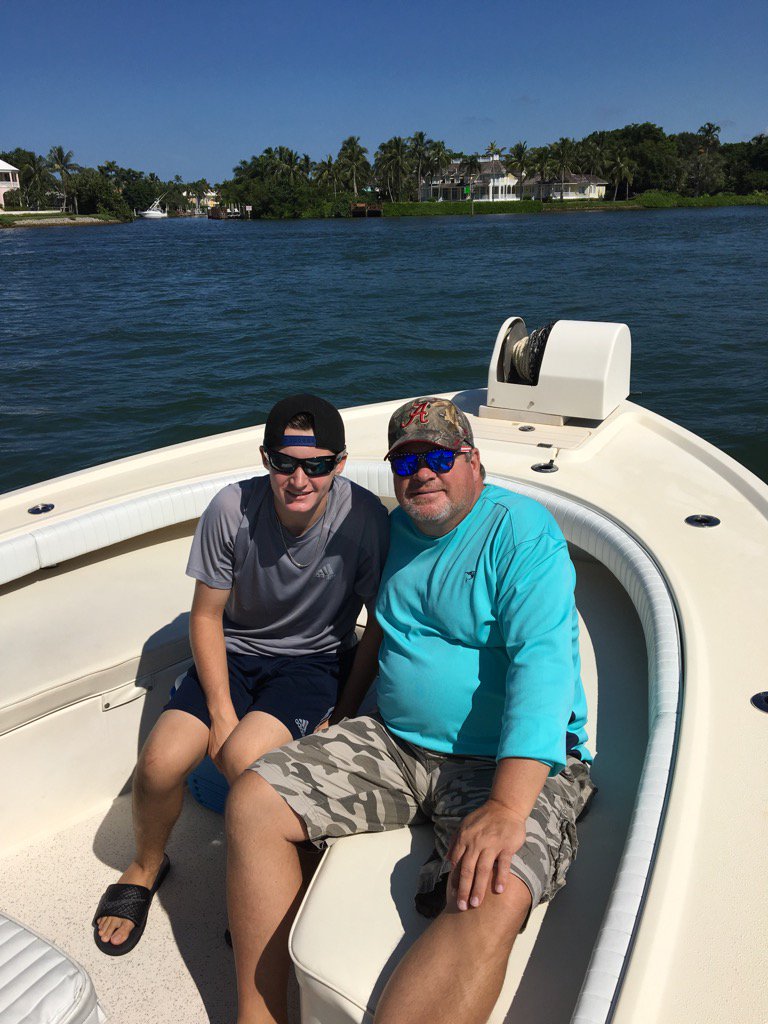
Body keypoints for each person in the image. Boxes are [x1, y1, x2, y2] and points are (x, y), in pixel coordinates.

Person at [226, 396, 595, 1024]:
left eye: (438, 455)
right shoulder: (397, 530)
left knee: (492, 893)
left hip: (501, 763)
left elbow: (545, 666)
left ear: (473, 461)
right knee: (252, 801)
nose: (420, 472)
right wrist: (345, 711)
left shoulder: (523, 532)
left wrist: (507, 807)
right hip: (395, 743)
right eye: (405, 461)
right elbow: (381, 631)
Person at [92, 394, 389, 955]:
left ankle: (274, 883)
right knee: (157, 764)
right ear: (265, 459)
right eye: (285, 463)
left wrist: (345, 712)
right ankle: (145, 865)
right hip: (233, 654)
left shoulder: (365, 520)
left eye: (318, 465)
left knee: (244, 762)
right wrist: (222, 712)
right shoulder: (230, 510)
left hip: (312, 663)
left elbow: (376, 627)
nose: (300, 479)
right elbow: (206, 616)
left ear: (341, 464)